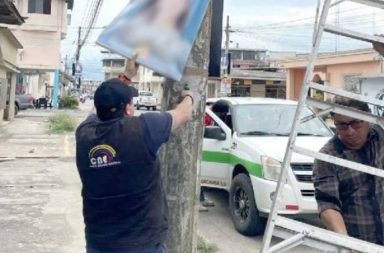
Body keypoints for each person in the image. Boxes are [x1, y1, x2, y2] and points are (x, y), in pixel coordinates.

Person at [75, 78, 193, 253]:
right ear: (128, 109)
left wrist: (126, 76)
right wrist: (189, 95)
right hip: (143, 244)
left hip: (99, 243)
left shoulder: (85, 134)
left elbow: (95, 111)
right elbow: (184, 113)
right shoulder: (144, 129)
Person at [313, 96, 384, 245]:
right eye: (342, 125)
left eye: (356, 123)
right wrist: (345, 240)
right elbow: (327, 203)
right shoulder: (327, 157)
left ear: (368, 117)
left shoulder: (379, 136)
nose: (350, 132)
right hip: (358, 244)